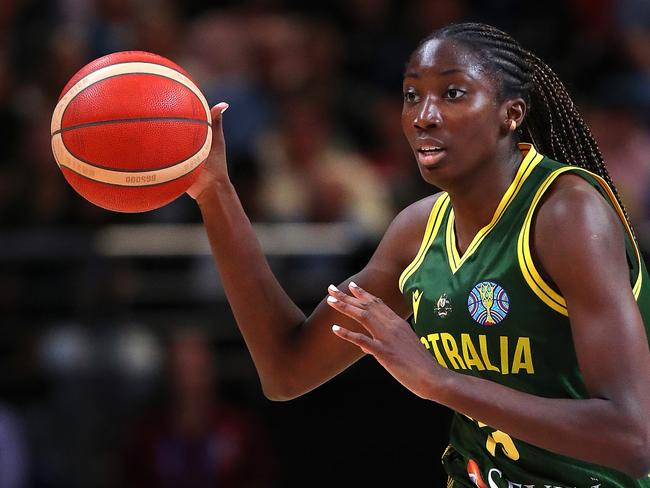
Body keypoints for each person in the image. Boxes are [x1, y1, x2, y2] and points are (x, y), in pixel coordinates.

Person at [186, 22, 650, 487]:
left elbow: (635, 440)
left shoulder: (567, 215)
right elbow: (287, 370)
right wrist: (215, 193)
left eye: (452, 93)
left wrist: (440, 382)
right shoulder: (418, 231)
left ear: (510, 114)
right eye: (412, 96)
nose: (424, 115)